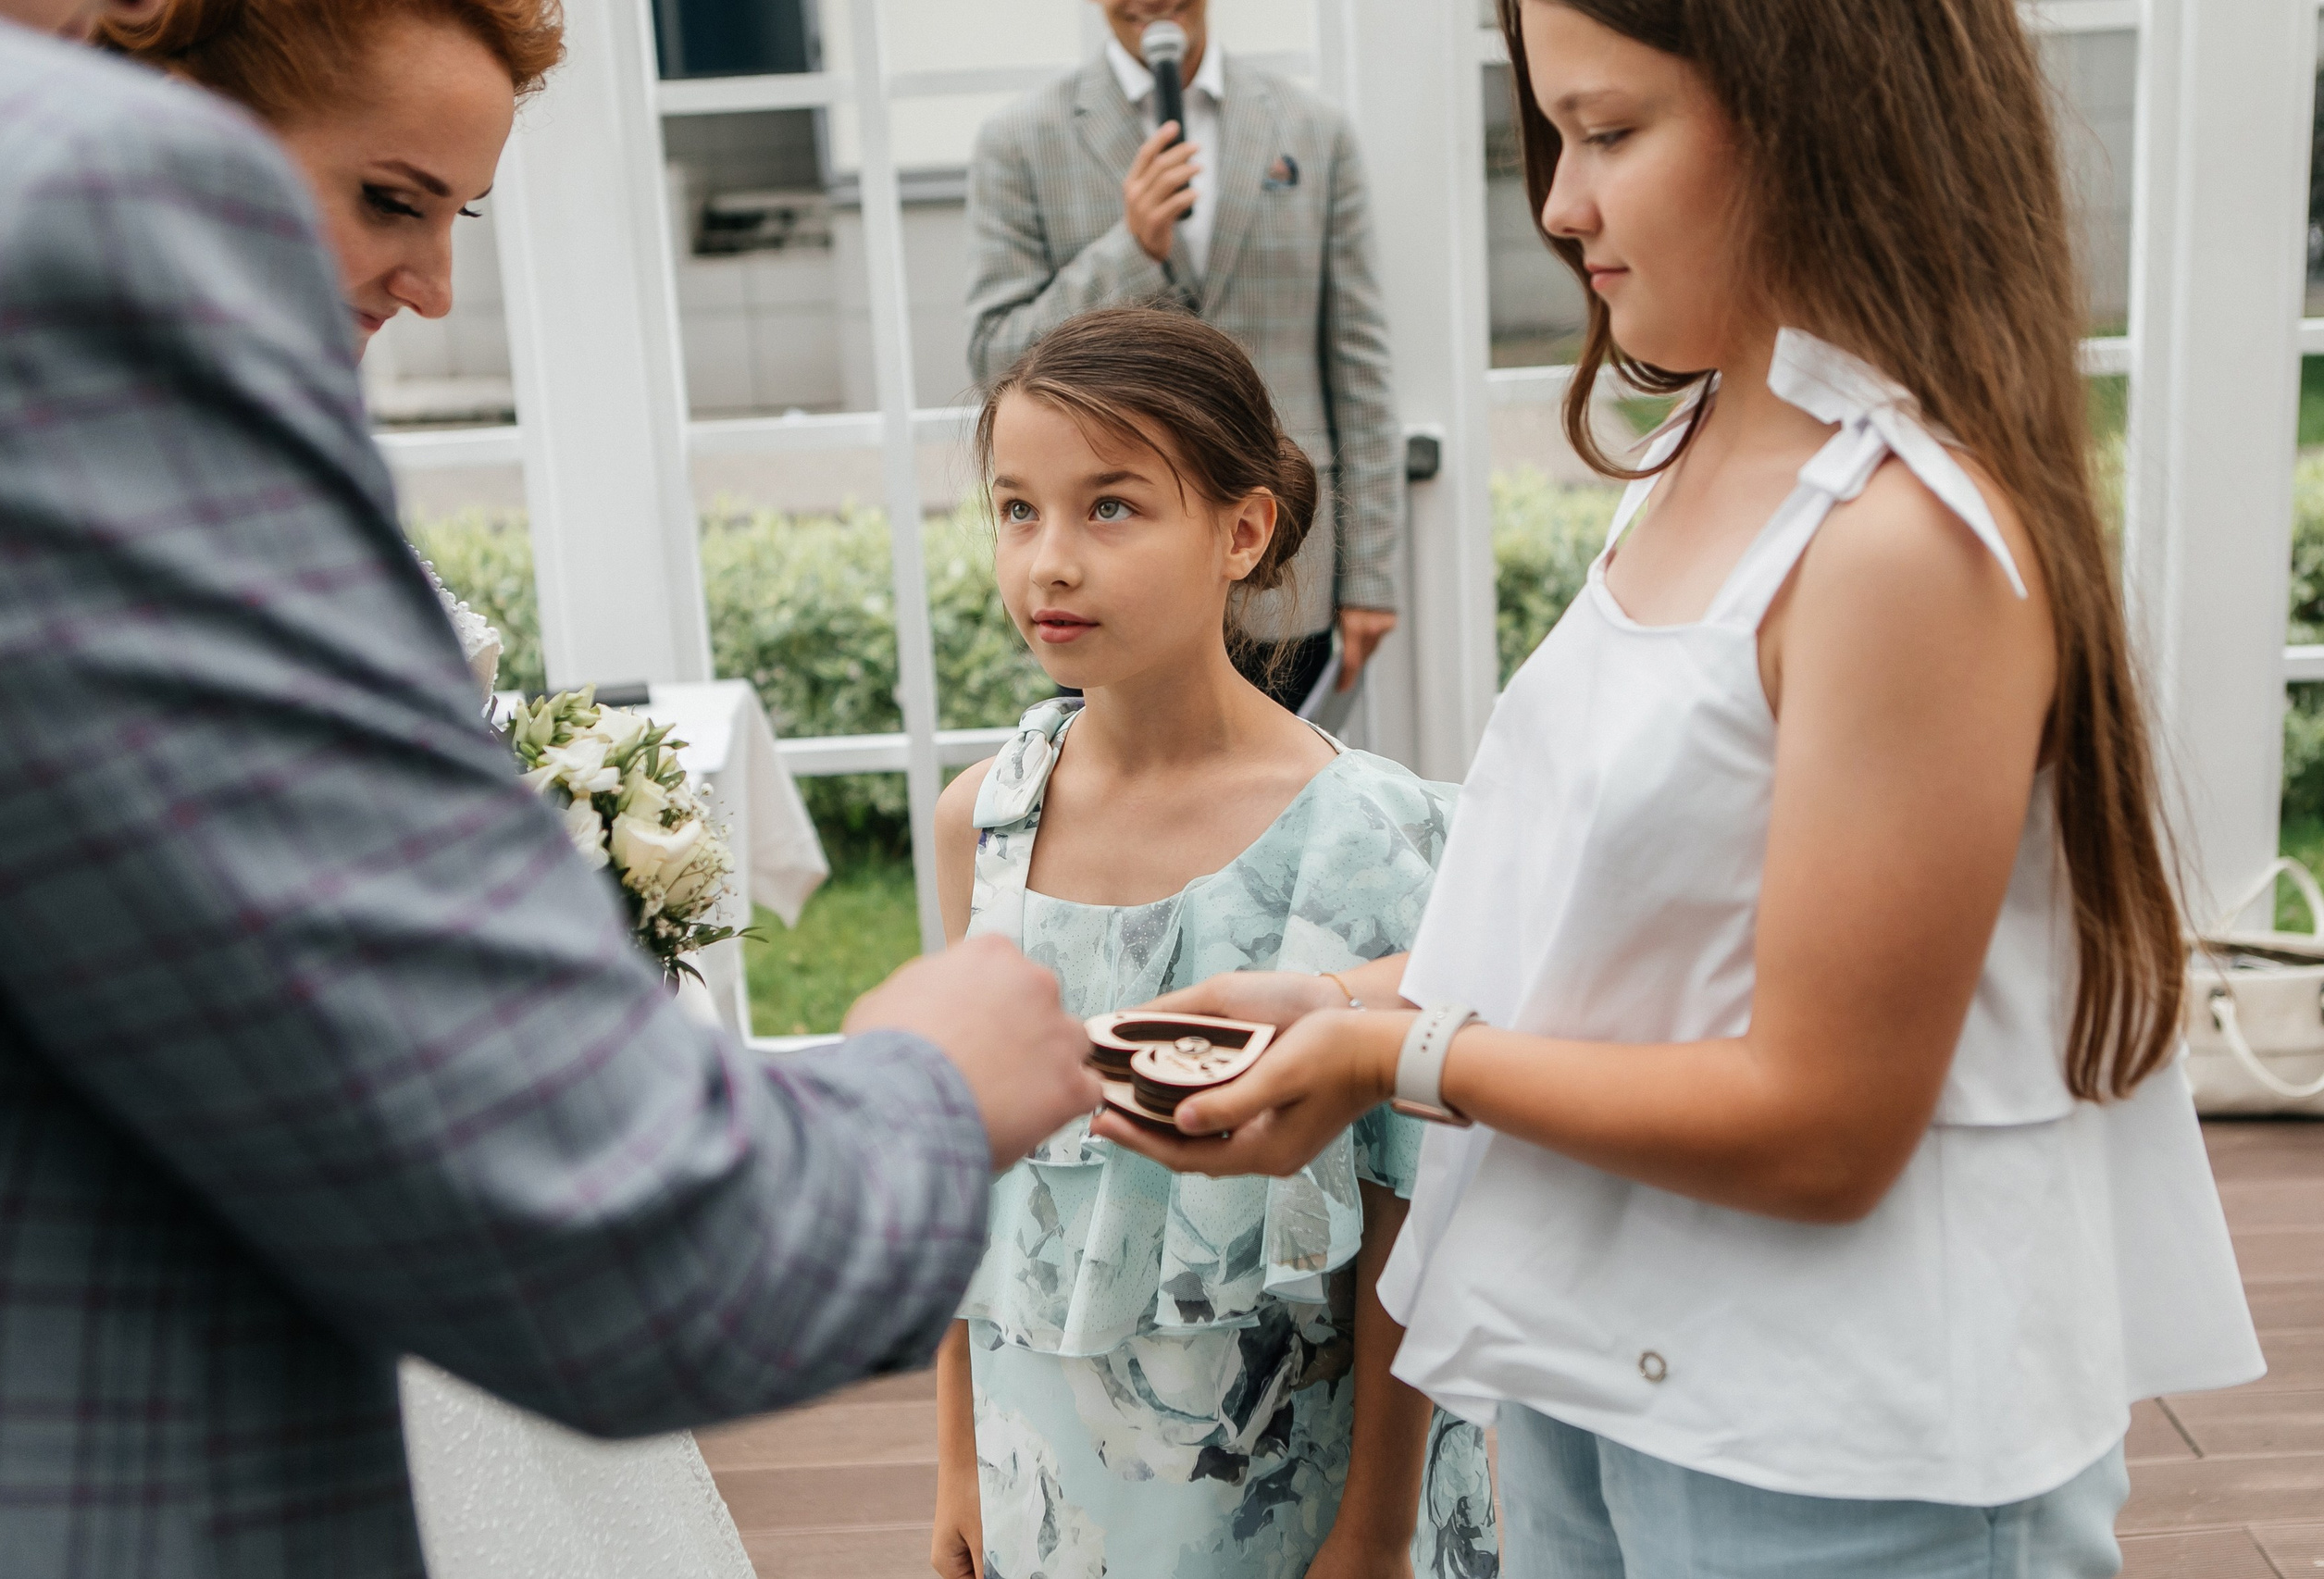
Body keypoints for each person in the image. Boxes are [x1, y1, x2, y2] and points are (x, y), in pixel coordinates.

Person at [1101, 2, 2264, 1575]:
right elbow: (1650, 950)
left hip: (1853, 1466)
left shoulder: (1899, 544)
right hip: (1610, 1386)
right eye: (1555, 135)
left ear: (1811, 116)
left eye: (1611, 131)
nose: (1560, 205)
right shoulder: (1701, 449)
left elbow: (1824, 1127)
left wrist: (1399, 1051)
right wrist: (1340, 998)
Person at [0, 6, 1099, 1578]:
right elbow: (635, 1251)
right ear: (172, 106)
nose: (431, 286)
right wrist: (929, 1079)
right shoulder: (70, 214)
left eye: (453, 216)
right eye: (387, 199)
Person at [927, 306, 1497, 1579]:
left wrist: (1377, 1530)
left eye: (1111, 507)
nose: (1048, 563)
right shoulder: (985, 826)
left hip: (1303, 1490)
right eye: (1016, 509)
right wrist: (961, 1467)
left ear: (1243, 532)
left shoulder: (1368, 836)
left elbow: (1415, 1216)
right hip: (1048, 1477)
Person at [965, 0, 1402, 715]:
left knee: (1276, 806)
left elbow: (1361, 369)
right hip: (1106, 566)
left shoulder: (1314, 132)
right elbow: (996, 358)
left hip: (1288, 565)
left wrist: (1373, 579)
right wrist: (1129, 252)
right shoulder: (1019, 141)